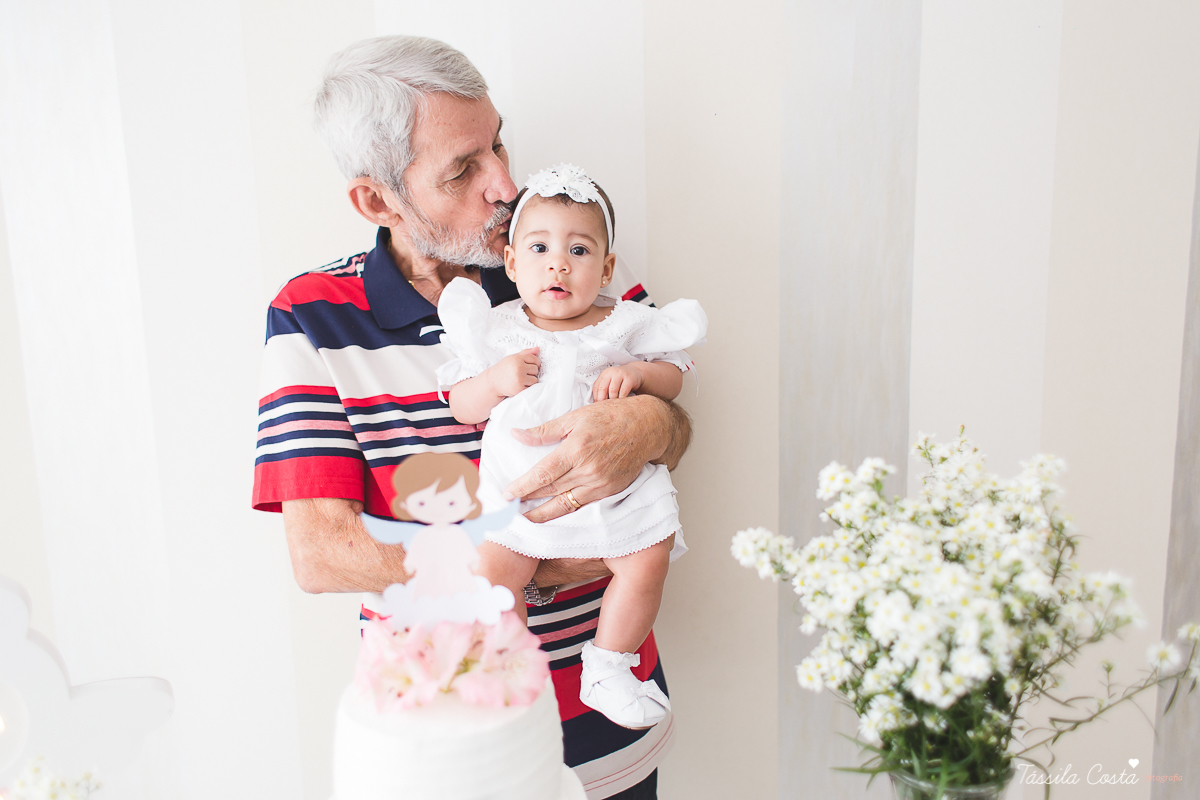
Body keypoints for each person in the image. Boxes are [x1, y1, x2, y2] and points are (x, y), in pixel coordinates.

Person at [251, 35, 689, 799]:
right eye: (464, 168)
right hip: (451, 742)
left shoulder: (561, 266)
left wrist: (647, 428)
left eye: (498, 144)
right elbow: (322, 552)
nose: (506, 185)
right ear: (377, 200)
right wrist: (534, 565)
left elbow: (675, 425)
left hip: (607, 729)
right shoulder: (311, 317)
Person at [436, 165, 706, 731]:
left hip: (613, 493)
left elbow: (676, 376)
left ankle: (607, 667)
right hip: (522, 490)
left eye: (579, 250)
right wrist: (495, 382)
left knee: (647, 559)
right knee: (491, 572)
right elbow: (461, 403)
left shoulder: (622, 323)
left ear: (606, 268)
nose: (559, 263)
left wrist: (636, 375)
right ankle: (492, 669)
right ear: (512, 264)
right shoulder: (499, 330)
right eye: (539, 247)